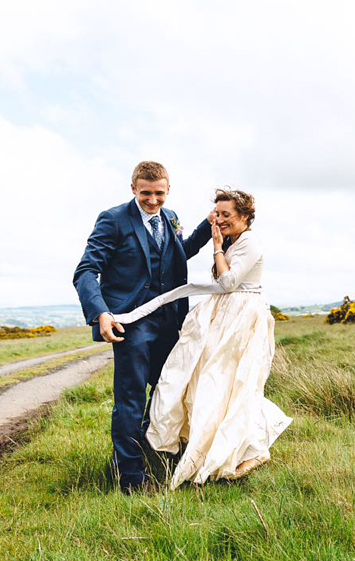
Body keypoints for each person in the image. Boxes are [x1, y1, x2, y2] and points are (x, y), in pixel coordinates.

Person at [112, 188, 291, 489]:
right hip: (223, 316)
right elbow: (186, 251)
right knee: (207, 383)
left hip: (240, 320)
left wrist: (217, 246)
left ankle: (253, 449)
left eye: (226, 215)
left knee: (230, 384)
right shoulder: (235, 239)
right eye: (216, 214)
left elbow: (228, 281)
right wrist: (214, 236)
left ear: (245, 216)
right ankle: (195, 448)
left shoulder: (248, 243)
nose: (219, 220)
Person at [73, 161, 213, 493]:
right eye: (146, 193)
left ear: (168, 190)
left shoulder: (171, 217)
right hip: (130, 324)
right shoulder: (113, 219)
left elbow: (178, 253)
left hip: (169, 322)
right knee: (131, 400)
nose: (153, 200)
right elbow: (86, 270)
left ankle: (147, 460)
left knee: (166, 396)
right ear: (133, 188)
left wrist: (208, 229)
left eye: (159, 193)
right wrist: (101, 313)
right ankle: (131, 480)